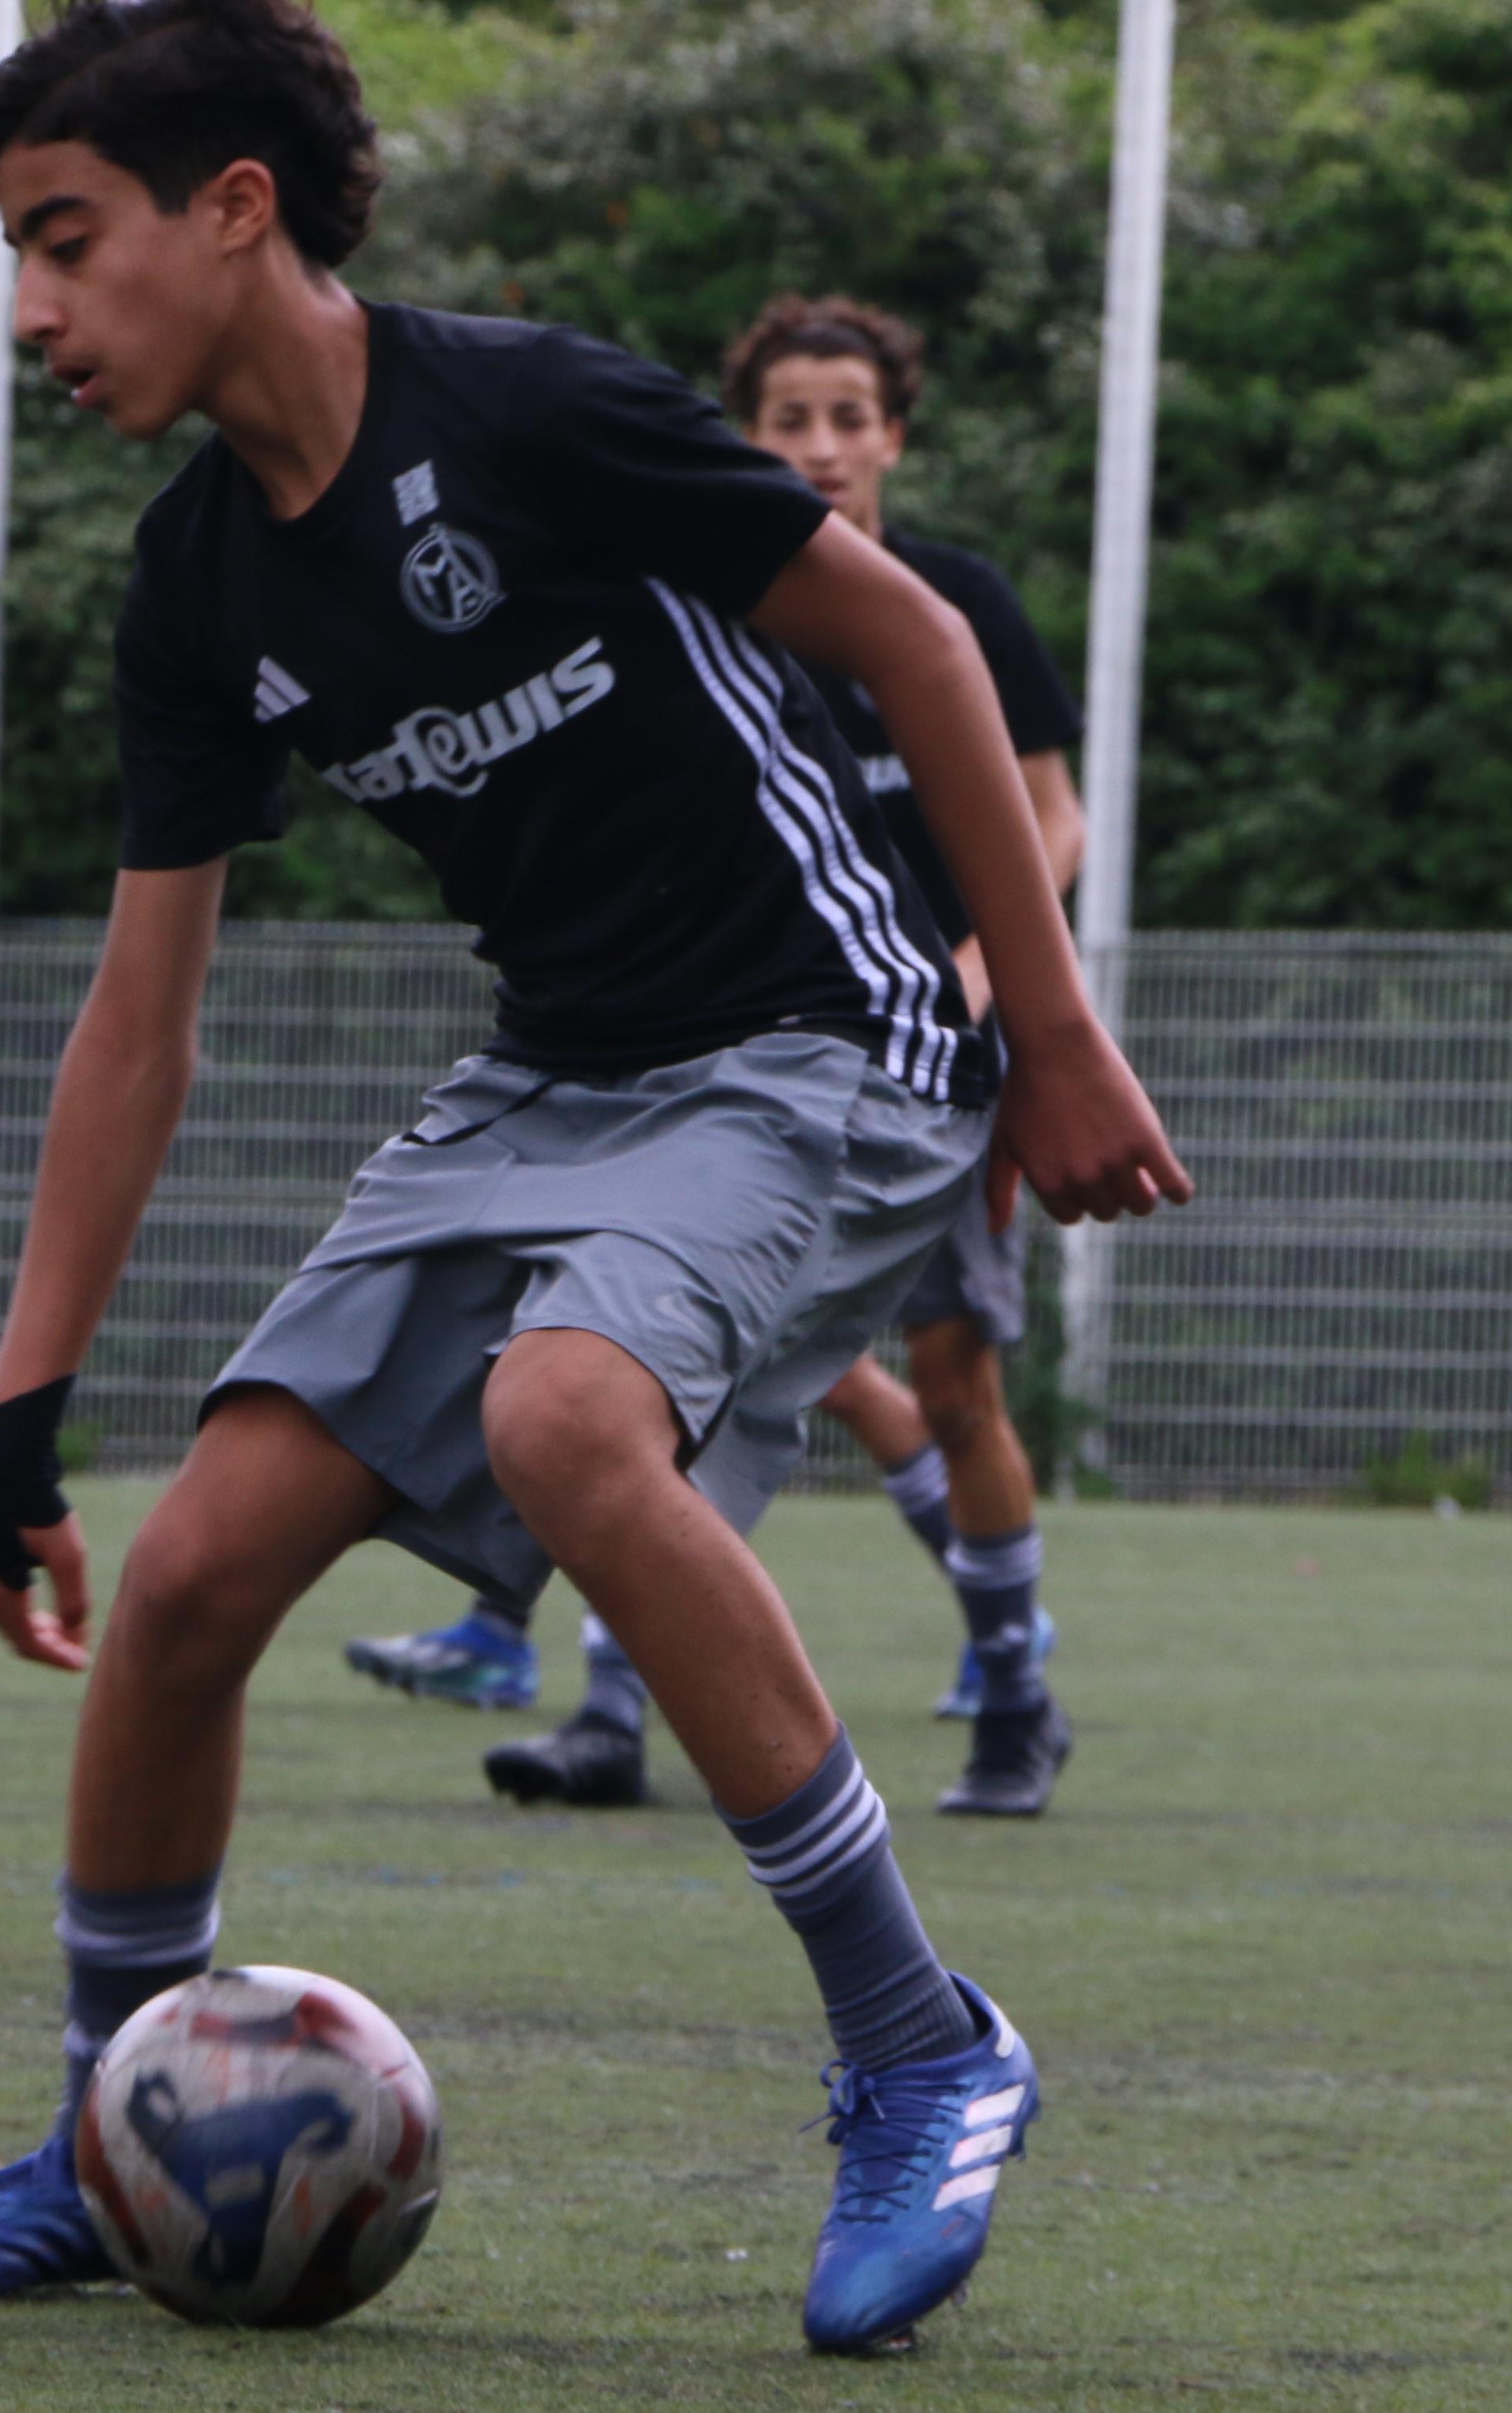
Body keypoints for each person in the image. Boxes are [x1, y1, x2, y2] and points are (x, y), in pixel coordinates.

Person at [0, 0, 1188, 2356]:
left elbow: (913, 644)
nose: (34, 315)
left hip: (828, 1044)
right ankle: (108, 2130)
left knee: (565, 1420)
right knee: (182, 1583)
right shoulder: (195, 592)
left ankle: (919, 2040)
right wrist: (12, 1412)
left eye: (63, 244)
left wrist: (1054, 1035)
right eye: (12, 261)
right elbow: (138, 1020)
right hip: (560, 1077)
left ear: (235, 208)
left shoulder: (534, 411)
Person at [464, 293, 1097, 1819]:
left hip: (944, 1058)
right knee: (653, 1376)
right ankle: (609, 1715)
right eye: (787, 420)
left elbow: (1051, 817)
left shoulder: (953, 601)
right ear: (743, 439)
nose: (820, 447)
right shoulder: (711, 603)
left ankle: (1014, 1690)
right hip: (758, 1058)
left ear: (894, 433)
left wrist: (975, 980)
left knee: (954, 1384)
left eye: (847, 417)